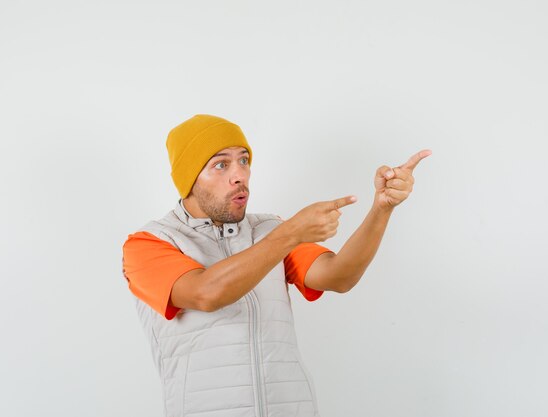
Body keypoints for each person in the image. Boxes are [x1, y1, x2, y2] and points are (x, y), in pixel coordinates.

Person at [122, 114, 431, 417]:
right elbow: (207, 293)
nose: (239, 175)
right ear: (188, 179)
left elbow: (339, 276)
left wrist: (381, 209)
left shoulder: (270, 230)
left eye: (244, 160)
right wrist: (291, 233)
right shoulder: (149, 243)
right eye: (220, 164)